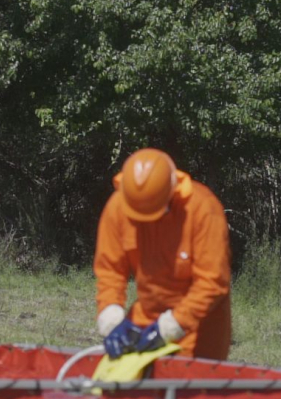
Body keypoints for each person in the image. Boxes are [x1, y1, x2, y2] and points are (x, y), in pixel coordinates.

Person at [94, 148, 231, 360]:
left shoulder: (203, 210)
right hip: (144, 320)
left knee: (194, 392)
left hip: (198, 329)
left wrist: (170, 328)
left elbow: (212, 282)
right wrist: (111, 318)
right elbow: (110, 270)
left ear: (171, 192)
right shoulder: (118, 207)